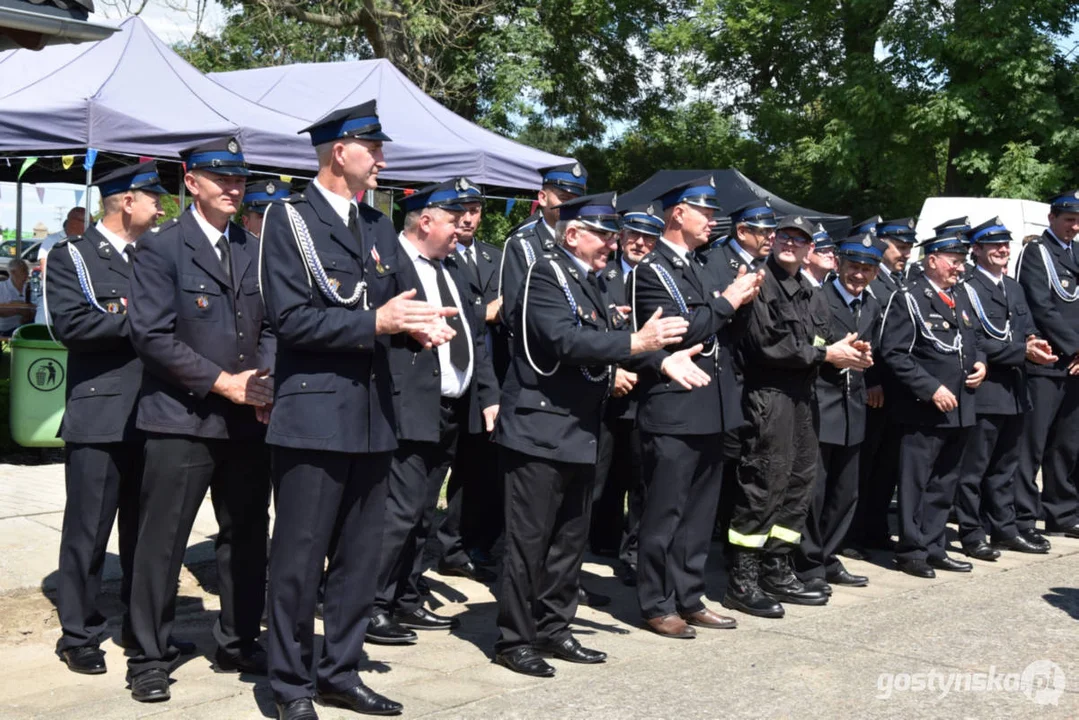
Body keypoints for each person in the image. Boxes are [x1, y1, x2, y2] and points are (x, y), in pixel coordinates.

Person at [260, 101, 454, 720]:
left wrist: (419, 326)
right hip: (315, 417)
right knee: (298, 560)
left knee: (357, 558)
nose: (383, 159)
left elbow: (398, 300)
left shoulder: (376, 225)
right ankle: (290, 684)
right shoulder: (288, 221)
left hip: (375, 416)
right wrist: (378, 321)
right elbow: (289, 318)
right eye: (374, 148)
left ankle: (339, 670)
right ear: (340, 152)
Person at [492, 191, 704, 676]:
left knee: (570, 541)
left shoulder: (594, 281)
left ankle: (554, 627)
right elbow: (566, 340)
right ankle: (515, 639)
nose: (612, 244)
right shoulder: (544, 275)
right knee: (530, 542)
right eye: (604, 235)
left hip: (580, 427)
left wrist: (659, 358)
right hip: (539, 428)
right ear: (572, 234)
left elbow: (615, 343)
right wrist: (637, 342)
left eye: (612, 236)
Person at [125, 138, 275, 702]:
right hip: (181, 417)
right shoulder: (161, 247)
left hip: (245, 417)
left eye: (239, 180)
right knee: (162, 542)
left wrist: (263, 379)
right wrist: (223, 383)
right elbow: (151, 335)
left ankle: (238, 640)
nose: (234, 188)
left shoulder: (253, 247)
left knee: (246, 535)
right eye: (222, 179)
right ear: (192, 183)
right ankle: (148, 654)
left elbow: (274, 326)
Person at [44, 162, 168, 675]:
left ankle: (140, 630)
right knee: (88, 533)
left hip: (156, 414)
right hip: (100, 414)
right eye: (154, 199)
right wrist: (147, 323)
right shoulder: (71, 256)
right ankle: (79, 633)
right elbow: (74, 324)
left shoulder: (155, 256)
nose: (162, 208)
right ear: (127, 201)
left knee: (145, 533)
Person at [367, 180, 499, 646]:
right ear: (425, 221)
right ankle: (372, 607)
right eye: (452, 220)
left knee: (424, 512)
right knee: (399, 512)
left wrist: (488, 395)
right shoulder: (389, 262)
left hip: (449, 407)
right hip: (407, 406)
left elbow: (473, 337)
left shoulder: (452, 267)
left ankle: (405, 595)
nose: (461, 228)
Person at [631, 176, 763, 637]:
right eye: (704, 212)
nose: (712, 220)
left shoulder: (703, 267)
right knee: (664, 511)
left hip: (713, 404)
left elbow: (720, 328)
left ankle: (689, 596)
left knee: (699, 514)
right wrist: (728, 301)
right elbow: (678, 331)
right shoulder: (651, 270)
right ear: (677, 214)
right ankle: (656, 601)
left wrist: (740, 300)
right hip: (673, 408)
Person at [725, 216, 873, 618]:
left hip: (804, 398)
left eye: (801, 240)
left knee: (798, 484)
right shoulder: (759, 282)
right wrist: (827, 354)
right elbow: (768, 346)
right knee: (763, 485)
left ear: (810, 249)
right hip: (769, 397)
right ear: (773, 241)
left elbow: (820, 341)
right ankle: (743, 580)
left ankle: (778, 568)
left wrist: (848, 353)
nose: (792, 244)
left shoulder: (812, 293)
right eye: (786, 236)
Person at [880, 228, 986, 578]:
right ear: (932, 260)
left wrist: (981, 362)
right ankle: (911, 551)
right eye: (954, 262)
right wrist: (930, 388)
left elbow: (973, 340)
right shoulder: (909, 298)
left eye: (961, 262)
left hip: (960, 407)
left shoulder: (962, 296)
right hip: (924, 409)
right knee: (916, 482)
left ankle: (933, 545)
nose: (959, 268)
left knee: (945, 482)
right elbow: (894, 353)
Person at [956, 217, 1057, 560]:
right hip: (985, 390)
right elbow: (976, 339)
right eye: (994, 245)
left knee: (1005, 468)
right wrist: (1021, 350)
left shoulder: (1012, 286)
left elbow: (1027, 327)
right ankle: (972, 533)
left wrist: (1035, 345)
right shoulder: (968, 287)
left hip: (1015, 390)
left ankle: (1003, 529)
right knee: (974, 470)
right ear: (977, 250)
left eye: (1005, 245)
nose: (1002, 250)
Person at [795, 233, 886, 593]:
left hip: (852, 406)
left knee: (845, 492)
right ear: (840, 265)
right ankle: (807, 563)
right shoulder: (819, 297)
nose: (859, 276)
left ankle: (828, 556)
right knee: (813, 493)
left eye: (866, 269)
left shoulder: (873, 305)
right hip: (821, 402)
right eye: (853, 267)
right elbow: (809, 348)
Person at [432, 178, 503, 583]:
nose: (468, 218)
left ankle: (463, 545)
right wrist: (483, 312)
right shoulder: (438, 258)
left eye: (474, 210)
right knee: (433, 472)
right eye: (461, 210)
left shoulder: (494, 257)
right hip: (447, 373)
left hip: (486, 376)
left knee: (478, 468)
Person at [591, 203, 663, 587]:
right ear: (620, 239)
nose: (639, 243)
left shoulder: (660, 278)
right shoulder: (606, 275)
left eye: (648, 237)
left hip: (646, 391)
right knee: (600, 477)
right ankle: (596, 544)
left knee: (640, 477)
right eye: (633, 235)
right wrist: (611, 370)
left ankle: (633, 553)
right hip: (607, 389)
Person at [847, 216, 916, 557]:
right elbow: (865, 336)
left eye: (908, 248)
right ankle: (854, 533)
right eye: (900, 247)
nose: (905, 253)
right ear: (882, 243)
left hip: (897, 390)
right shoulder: (871, 281)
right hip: (873, 386)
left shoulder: (903, 281)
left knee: (886, 465)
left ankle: (874, 528)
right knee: (865, 464)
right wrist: (871, 380)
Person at [1014, 191, 1079, 540]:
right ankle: (1023, 517)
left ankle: (1062, 513)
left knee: (1068, 443)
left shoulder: (1076, 253)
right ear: (1052, 218)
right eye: (1069, 220)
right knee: (1032, 444)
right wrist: (1075, 348)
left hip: (1075, 364)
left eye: (1078, 221)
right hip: (1049, 358)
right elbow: (1041, 305)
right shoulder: (1037, 252)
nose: (1074, 227)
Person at [497, 162, 587, 333]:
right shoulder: (523, 245)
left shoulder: (587, 242)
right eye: (564, 199)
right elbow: (514, 313)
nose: (570, 207)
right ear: (542, 198)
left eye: (578, 201)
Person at [36, 206, 87, 324]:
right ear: (74, 222)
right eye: (87, 222)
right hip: (53, 296)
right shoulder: (51, 240)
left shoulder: (88, 241)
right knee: (43, 328)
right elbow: (46, 270)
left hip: (80, 298)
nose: (90, 225)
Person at [0, 258, 33, 333]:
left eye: (27, 270)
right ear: (13, 272)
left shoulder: (30, 287)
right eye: (24, 270)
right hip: (5, 329)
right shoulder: (1, 287)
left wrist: (28, 314)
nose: (27, 273)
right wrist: (19, 309)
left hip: (26, 328)